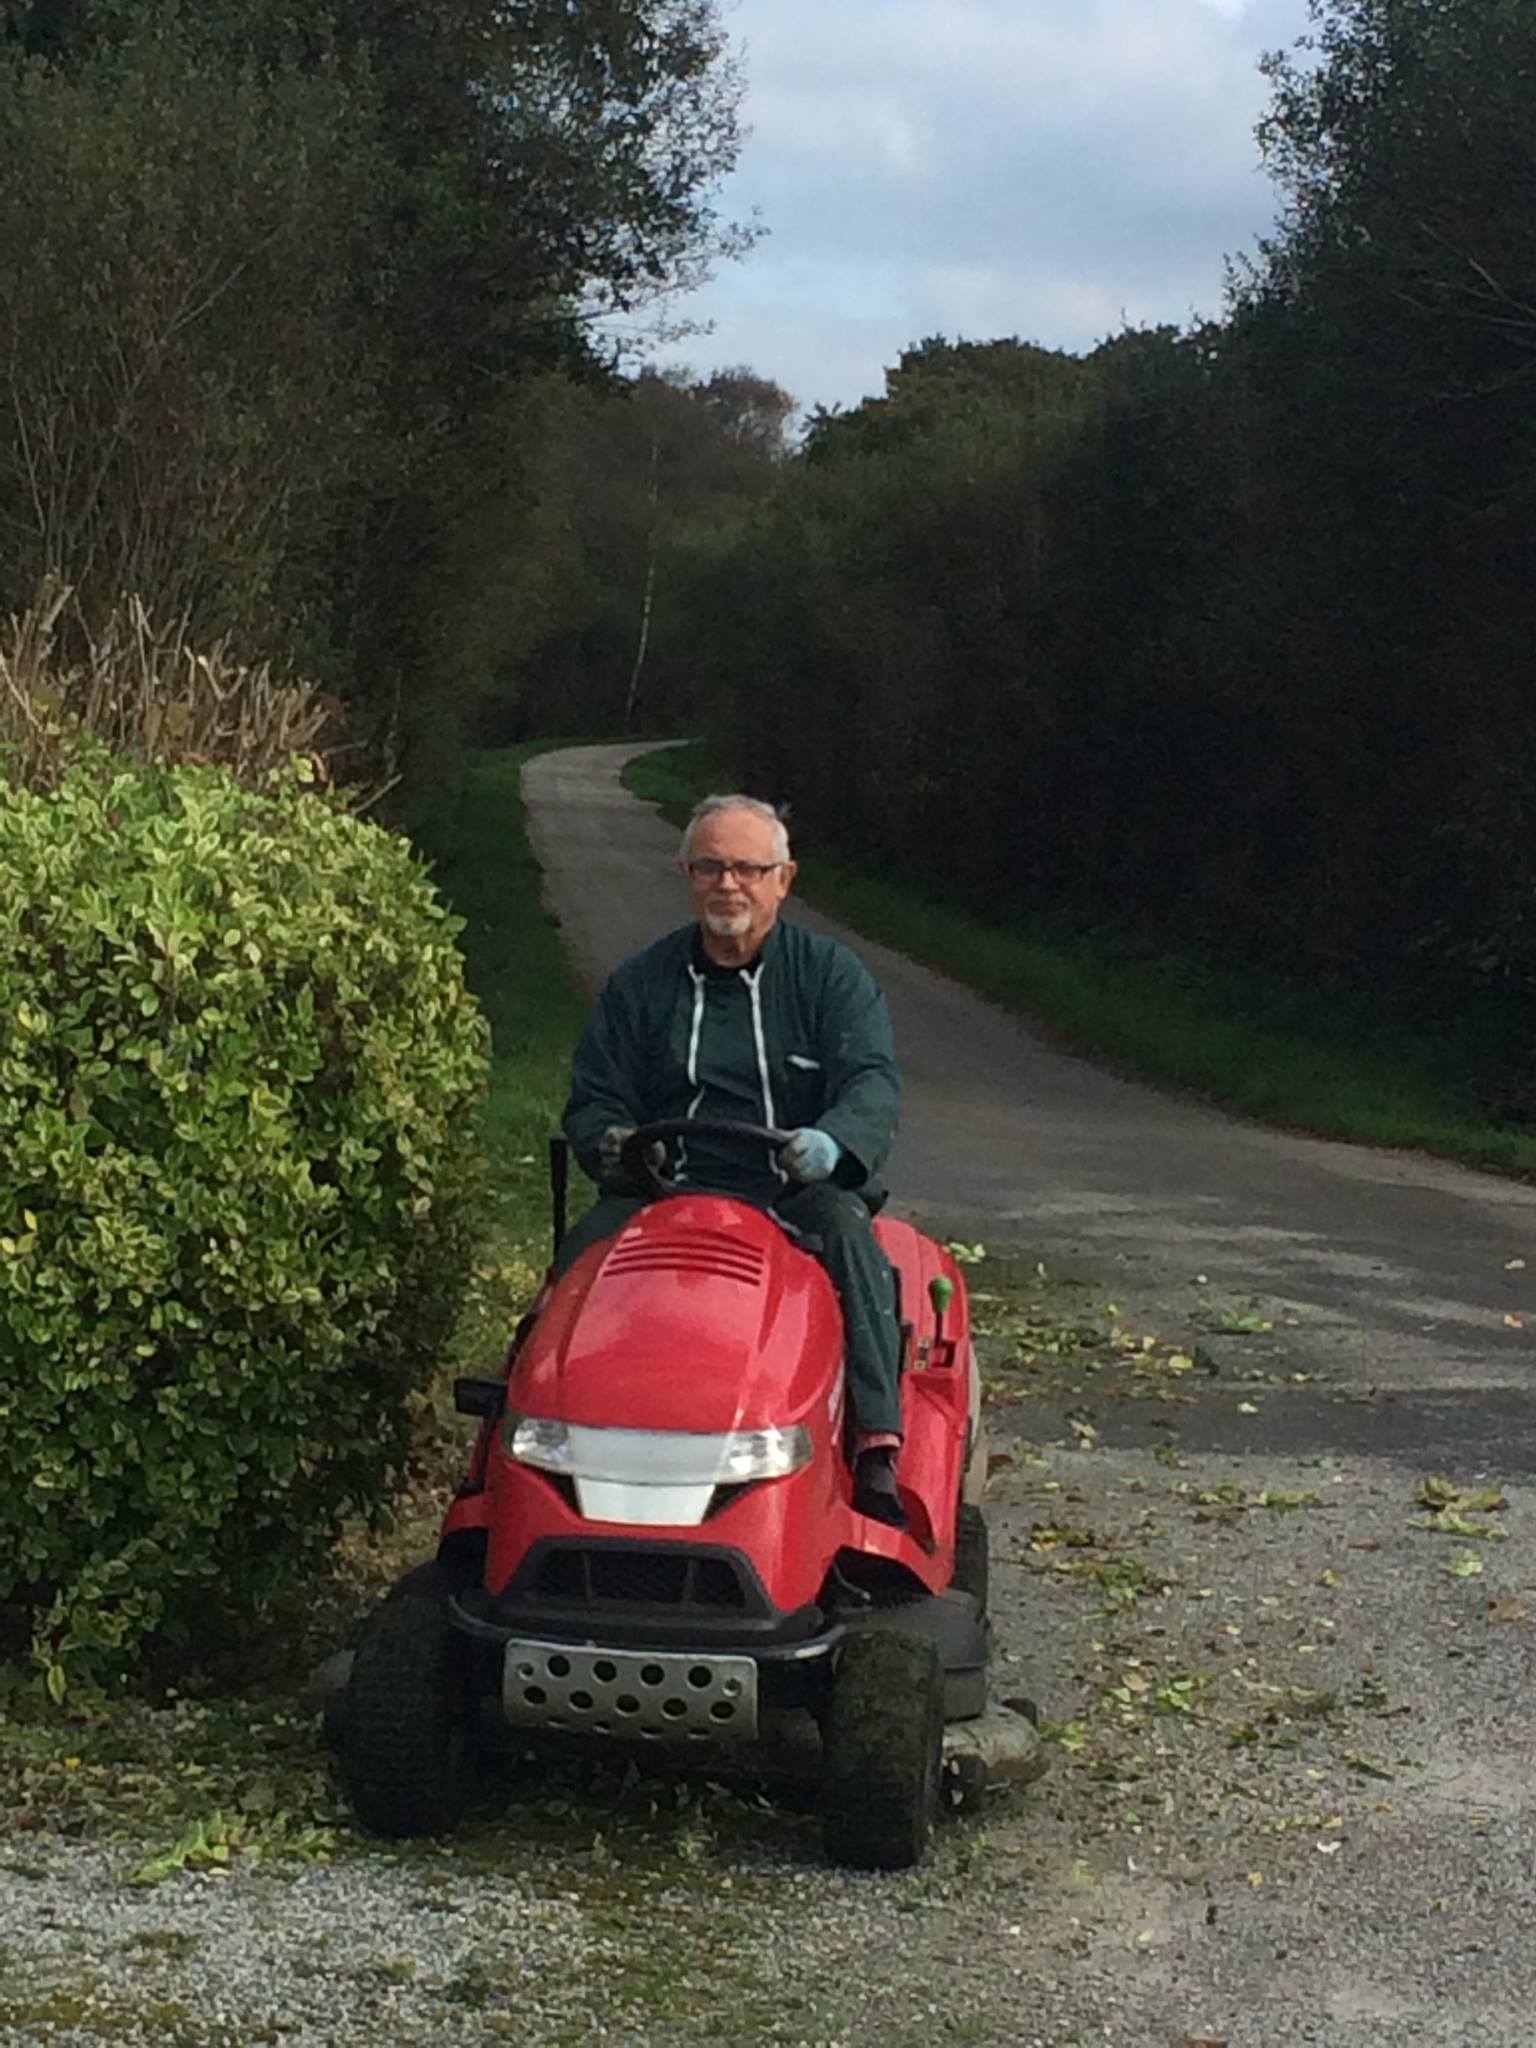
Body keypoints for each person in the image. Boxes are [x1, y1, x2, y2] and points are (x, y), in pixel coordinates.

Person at [557, 792, 908, 1527]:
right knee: (580, 1259)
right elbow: (595, 1098)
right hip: (664, 1191)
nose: (728, 885)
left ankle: (877, 1445)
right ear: (687, 874)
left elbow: (870, 1079)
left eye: (749, 869)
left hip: (792, 1192)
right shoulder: (641, 985)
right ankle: (524, 1445)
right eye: (712, 867)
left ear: (784, 878)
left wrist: (836, 1141)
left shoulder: (831, 979)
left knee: (850, 1236)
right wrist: (612, 1142)